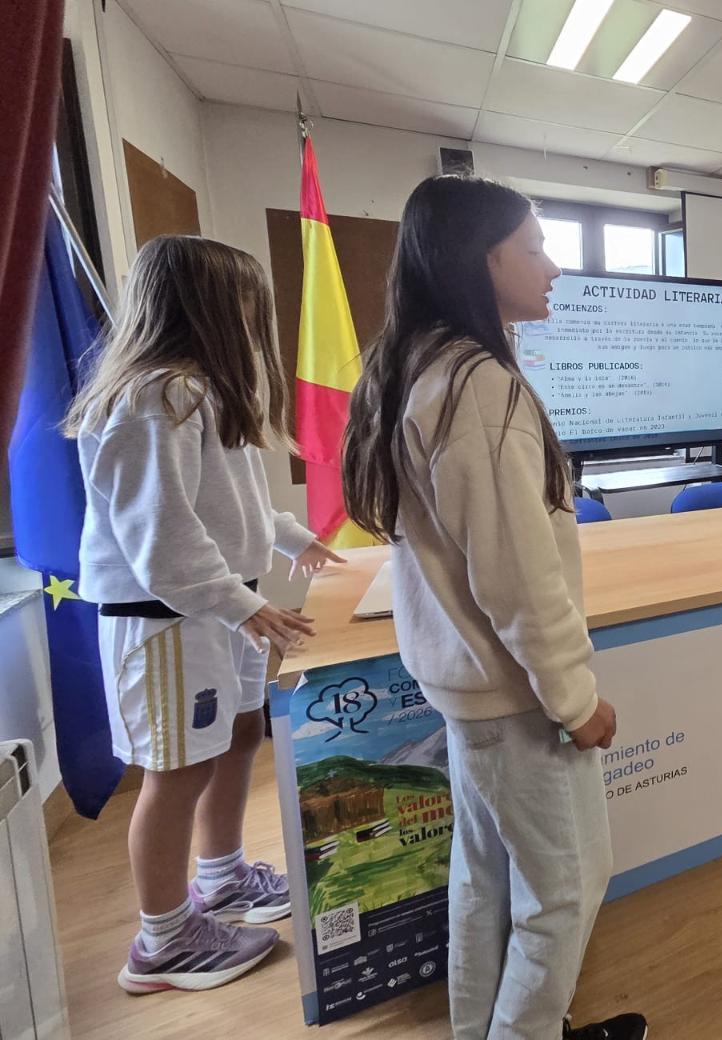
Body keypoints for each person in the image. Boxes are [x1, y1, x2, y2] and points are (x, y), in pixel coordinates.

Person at [341, 176, 645, 1040]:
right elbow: (517, 577)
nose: (554, 268)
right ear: (481, 261)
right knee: (566, 890)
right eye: (535, 248)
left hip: (468, 690)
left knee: (485, 878)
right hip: (515, 698)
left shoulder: (413, 365)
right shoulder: (480, 384)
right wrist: (576, 702)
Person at [66, 235, 343, 993]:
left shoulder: (203, 392)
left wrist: (292, 539)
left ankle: (221, 878)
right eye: (248, 304)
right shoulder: (155, 397)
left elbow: (230, 505)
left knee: (239, 733)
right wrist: (241, 604)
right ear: (206, 307)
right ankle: (162, 941)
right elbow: (161, 532)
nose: (256, 321)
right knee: (177, 767)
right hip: (168, 617)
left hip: (219, 608)